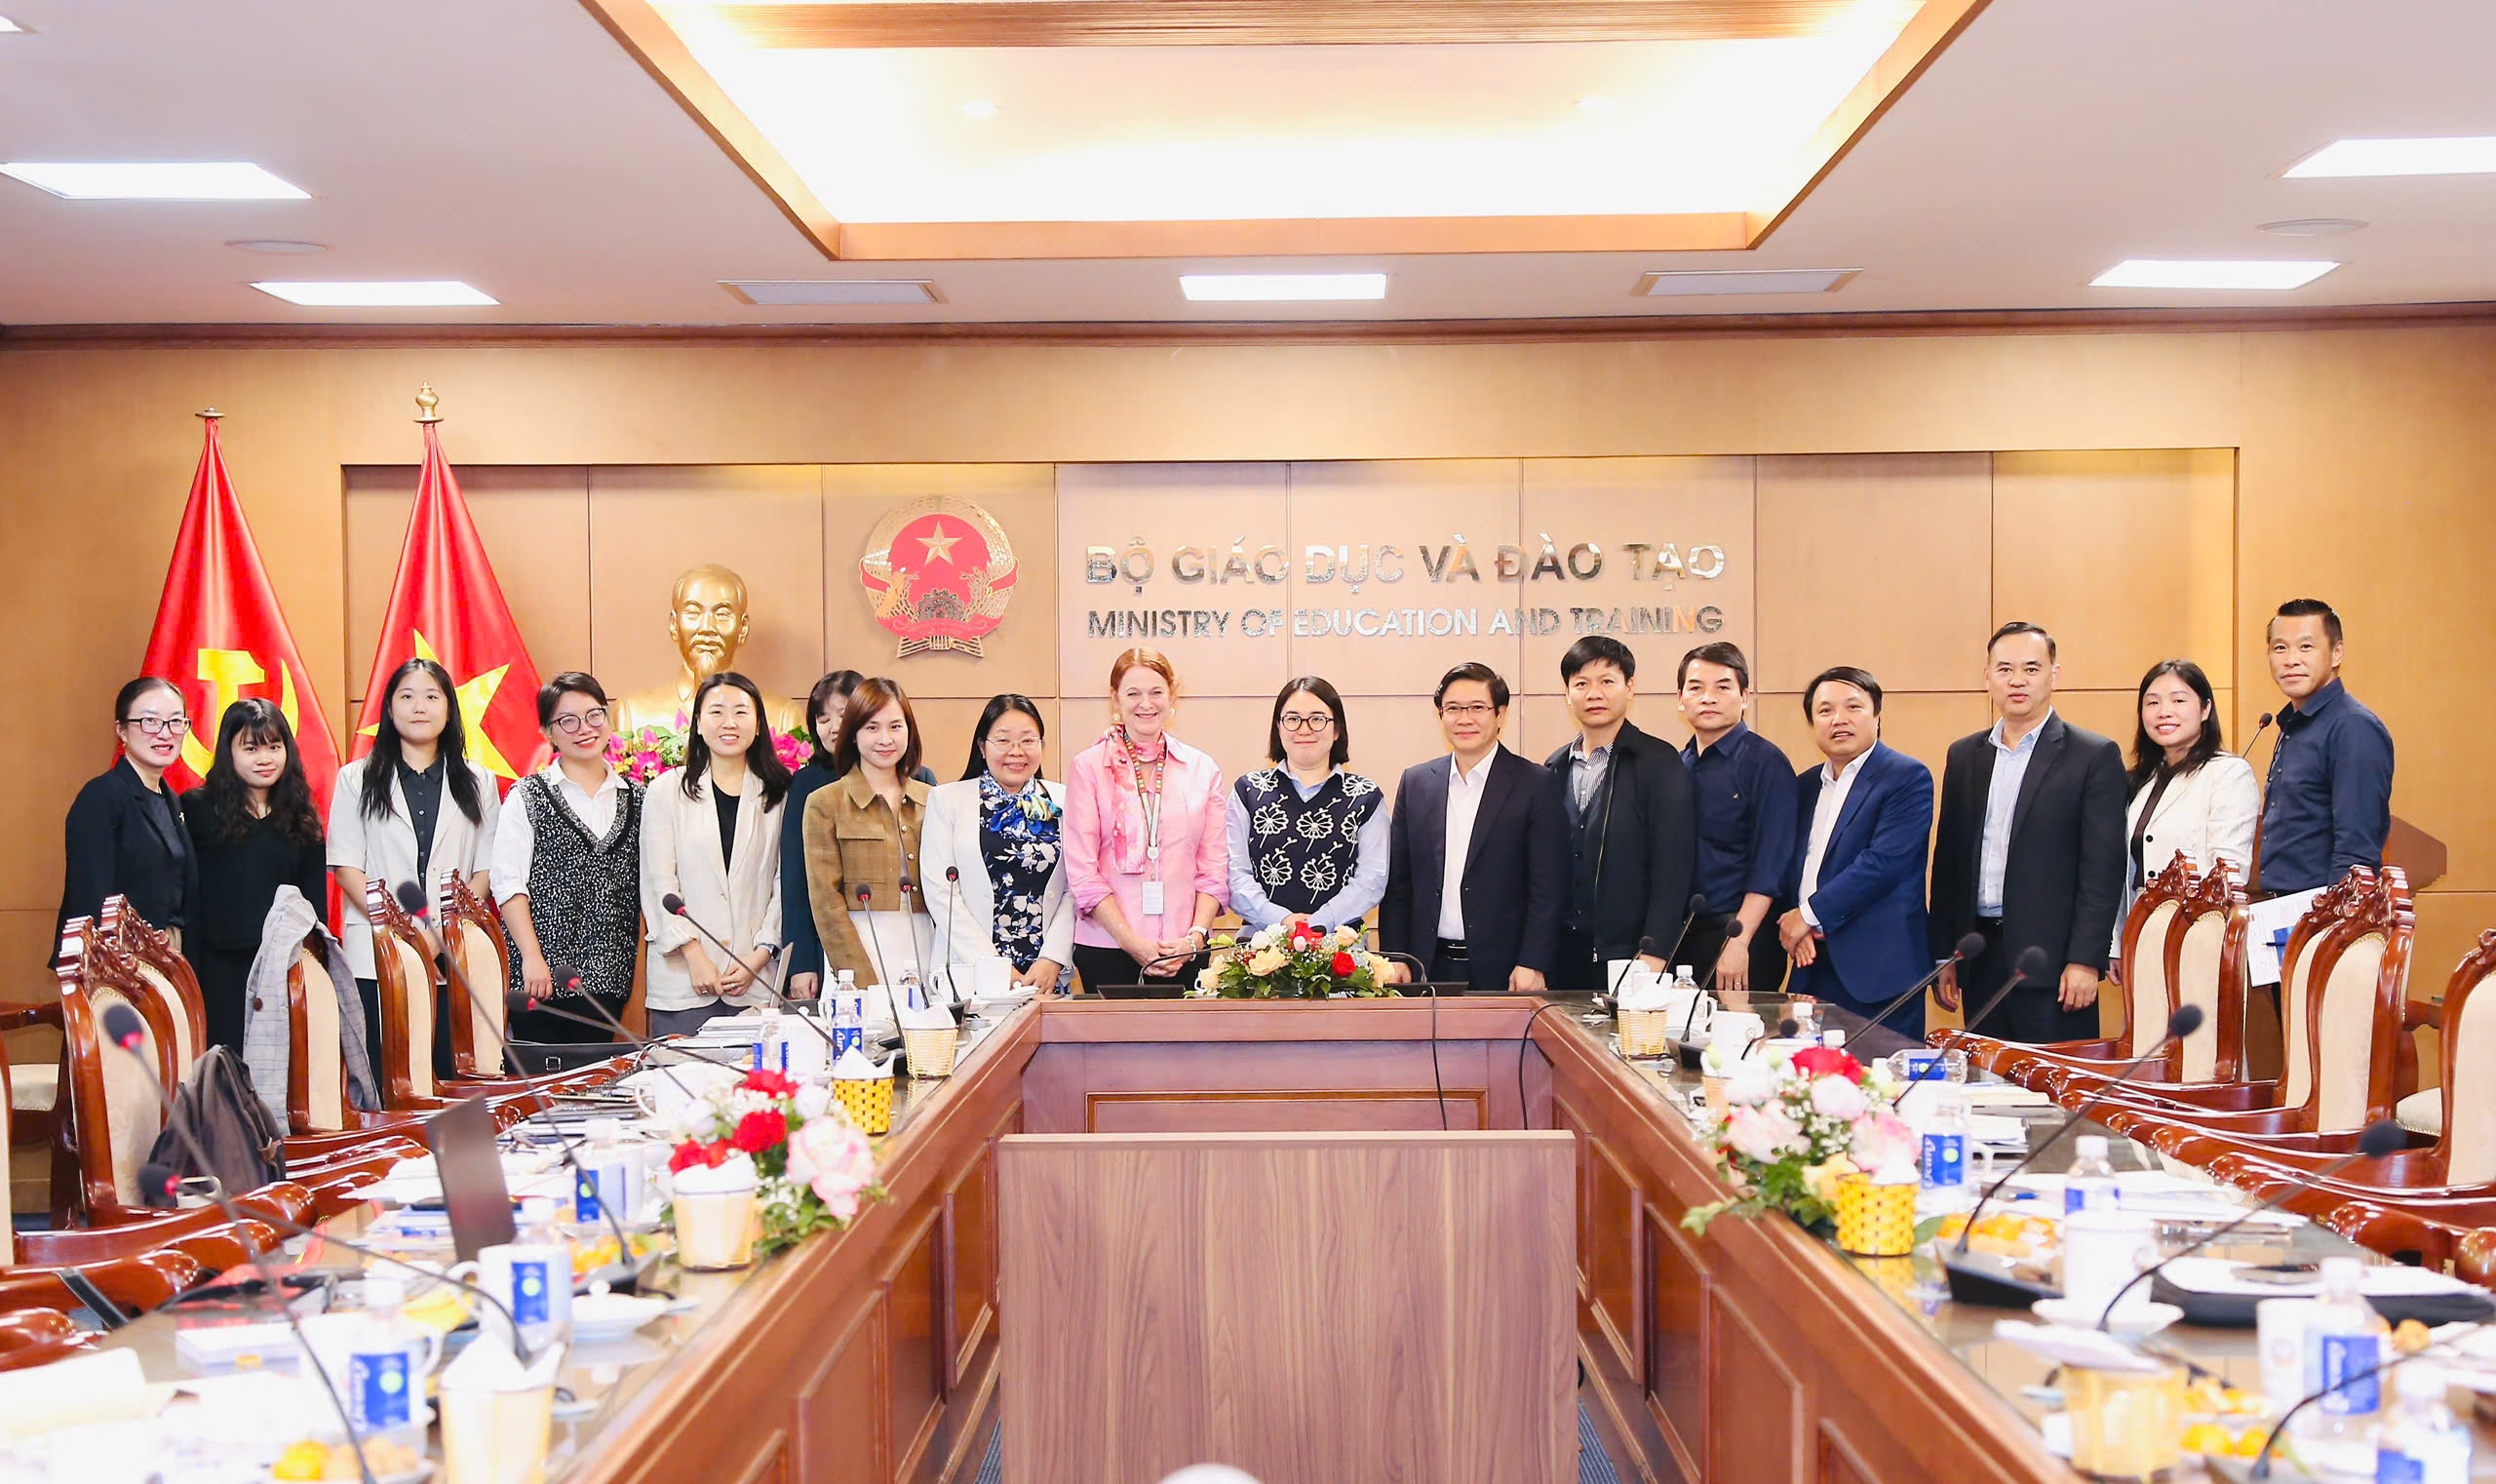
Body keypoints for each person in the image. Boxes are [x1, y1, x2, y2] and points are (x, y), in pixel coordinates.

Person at [1928, 622, 2126, 1042]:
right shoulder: (1964, 756)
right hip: (1979, 959)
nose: (2017, 680)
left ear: (2055, 675)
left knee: (2052, 1081)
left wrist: (2085, 959)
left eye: (2031, 669)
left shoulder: (2092, 755)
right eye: (2005, 669)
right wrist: (1945, 954)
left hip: (2055, 967)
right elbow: (1949, 863)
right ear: (1987, 677)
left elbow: (2102, 870)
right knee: (1985, 1076)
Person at [329, 657, 500, 1076]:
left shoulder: (479, 781)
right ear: (389, 709)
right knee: (385, 1076)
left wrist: (439, 936)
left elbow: (485, 870)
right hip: (377, 950)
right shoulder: (355, 779)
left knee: (450, 1074)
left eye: (431, 697)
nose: (419, 707)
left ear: (449, 708)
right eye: (407, 697)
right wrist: (404, 935)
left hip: (453, 952)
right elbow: (347, 867)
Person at [1381, 662, 1568, 992]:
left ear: (1500, 714)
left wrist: (1533, 961)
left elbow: (1548, 887)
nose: (1464, 718)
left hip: (1507, 970)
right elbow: (1398, 883)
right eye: (1453, 708)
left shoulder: (1536, 783)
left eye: (1477, 708)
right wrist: (1395, 957)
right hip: (1427, 965)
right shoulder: (1416, 782)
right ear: (1440, 715)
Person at [1534, 638, 1699, 995]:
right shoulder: (1554, 766)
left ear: (1630, 688)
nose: (1594, 694)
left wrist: (1655, 951)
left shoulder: (1658, 762)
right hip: (1562, 955)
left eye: (1607, 681)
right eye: (1581, 683)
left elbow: (1673, 866)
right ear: (1567, 694)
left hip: (1632, 955)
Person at [1774, 668, 1935, 1036]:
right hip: (1811, 966)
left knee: (1880, 1072)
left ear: (1877, 715)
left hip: (1879, 972)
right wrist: (1797, 924)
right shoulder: (1805, 785)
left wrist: (1808, 915)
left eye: (1853, 707)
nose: (1839, 719)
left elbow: (1883, 864)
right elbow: (1793, 867)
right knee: (1808, 1069)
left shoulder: (1906, 777)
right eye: (1825, 710)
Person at [493, 672, 642, 1045]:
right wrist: (531, 957)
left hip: (610, 979)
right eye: (568, 721)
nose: (585, 729)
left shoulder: (639, 798)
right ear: (548, 732)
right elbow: (508, 885)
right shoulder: (527, 796)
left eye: (594, 715)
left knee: (600, 1076)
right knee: (545, 1078)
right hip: (543, 980)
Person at [1064, 648, 1227, 991]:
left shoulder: (1202, 769)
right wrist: (1130, 941)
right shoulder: (1088, 767)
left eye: (1156, 692)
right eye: (1133, 694)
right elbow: (1082, 871)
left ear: (1172, 696)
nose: (1146, 704)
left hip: (1185, 950)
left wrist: (1196, 937)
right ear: (1115, 699)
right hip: (1107, 947)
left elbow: (1214, 868)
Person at [640, 672, 789, 1036]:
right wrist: (693, 954)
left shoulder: (778, 794)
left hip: (755, 980)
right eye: (717, 712)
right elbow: (659, 884)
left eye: (741, 712)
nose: (729, 723)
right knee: (681, 1072)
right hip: (684, 980)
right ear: (698, 722)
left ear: (758, 725)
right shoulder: (666, 791)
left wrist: (760, 955)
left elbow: (785, 883)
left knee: (757, 1073)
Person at [784, 671, 940, 1000]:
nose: (885, 739)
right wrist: (861, 980)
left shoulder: (933, 798)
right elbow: (825, 901)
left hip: (926, 947)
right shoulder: (825, 801)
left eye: (895, 726)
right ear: (853, 734)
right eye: (872, 728)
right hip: (858, 948)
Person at [185, 699, 328, 1056]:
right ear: (229, 752)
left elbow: (314, 907)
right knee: (225, 1067)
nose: (265, 759)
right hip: (217, 969)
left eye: (274, 747)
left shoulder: (301, 814)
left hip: (283, 968)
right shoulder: (197, 808)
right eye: (251, 749)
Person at [2112, 659, 2259, 972]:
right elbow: (2120, 870)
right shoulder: (2140, 780)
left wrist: (2196, 935)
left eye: (2179, 701)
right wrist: (2116, 943)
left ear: (2205, 709)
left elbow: (2228, 872)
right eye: (2153, 703)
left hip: (2199, 939)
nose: (2164, 712)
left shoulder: (2227, 774)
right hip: (2140, 935)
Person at [922, 694, 1073, 994]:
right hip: (970, 970)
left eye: (1028, 740)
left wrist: (1053, 958)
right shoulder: (947, 800)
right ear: (982, 746)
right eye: (1003, 740)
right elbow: (941, 893)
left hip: (1044, 976)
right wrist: (993, 967)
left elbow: (1077, 888)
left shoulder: (1064, 800)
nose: (1016, 751)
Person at [1674, 641, 1797, 995]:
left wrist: (1739, 940)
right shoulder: (1679, 763)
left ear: (1744, 697)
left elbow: (1771, 865)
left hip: (1740, 933)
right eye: (1696, 688)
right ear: (1680, 699)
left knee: (1739, 1029)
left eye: (1722, 687)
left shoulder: (1766, 762)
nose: (1708, 698)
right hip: (1684, 935)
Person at [1226, 676, 1388, 934]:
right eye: (1292, 719)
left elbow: (1372, 879)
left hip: (1341, 947)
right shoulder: (1248, 791)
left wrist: (1317, 924)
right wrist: (1281, 920)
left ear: (1337, 729)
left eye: (1317, 719)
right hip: (1260, 945)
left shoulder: (1365, 796)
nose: (1304, 729)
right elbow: (1235, 874)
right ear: (1278, 727)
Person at [57, 677, 201, 961]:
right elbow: (89, 897)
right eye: (150, 721)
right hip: (118, 959)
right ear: (121, 730)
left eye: (175, 721)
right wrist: (107, 966)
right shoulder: (102, 796)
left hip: (169, 953)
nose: (165, 733)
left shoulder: (172, 800)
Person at [2256, 599, 2395, 895]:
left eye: (2306, 647)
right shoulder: (2292, 723)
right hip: (2279, 907)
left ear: (2336, 653)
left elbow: (2356, 854)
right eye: (2280, 648)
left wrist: (2332, 918)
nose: (2291, 660)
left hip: (2321, 910)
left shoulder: (2353, 727)